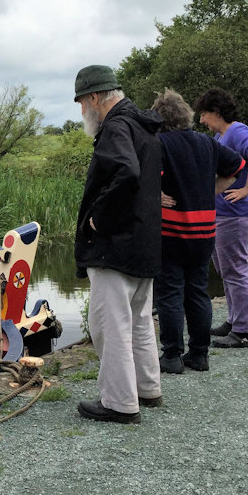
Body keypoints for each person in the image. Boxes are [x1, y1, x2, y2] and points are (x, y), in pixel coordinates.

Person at [72, 65, 164, 425]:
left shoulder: (116, 127)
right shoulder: (144, 126)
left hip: (116, 245)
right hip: (144, 242)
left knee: (109, 325)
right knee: (140, 320)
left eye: (81, 102)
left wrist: (99, 218)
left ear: (95, 98)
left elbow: (126, 172)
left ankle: (119, 403)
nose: (81, 111)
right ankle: (147, 388)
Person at [152, 89, 244, 374]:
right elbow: (237, 168)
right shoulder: (206, 142)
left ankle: (171, 356)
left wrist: (155, 195)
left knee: (169, 293)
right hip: (204, 231)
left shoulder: (159, 143)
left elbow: (139, 179)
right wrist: (210, 190)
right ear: (185, 115)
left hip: (171, 230)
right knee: (197, 292)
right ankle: (200, 355)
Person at [193, 89, 248, 348]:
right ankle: (234, 321)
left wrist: (247, 188)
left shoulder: (237, 132)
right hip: (223, 215)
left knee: (236, 271)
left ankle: (243, 331)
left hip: (236, 215)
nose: (201, 120)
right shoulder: (222, 134)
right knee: (226, 270)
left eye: (203, 113)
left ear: (216, 112)